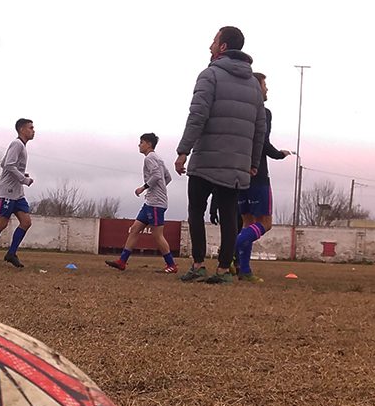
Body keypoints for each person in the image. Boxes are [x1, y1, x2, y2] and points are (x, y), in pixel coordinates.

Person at [174, 26, 265, 284]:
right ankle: (224, 271)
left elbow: (197, 115)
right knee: (228, 217)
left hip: (205, 160)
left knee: (196, 211)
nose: (210, 46)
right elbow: (260, 128)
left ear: (223, 47)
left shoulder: (209, 75)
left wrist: (183, 151)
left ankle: (198, 264)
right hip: (237, 164)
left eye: (214, 41)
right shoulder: (253, 85)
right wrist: (253, 163)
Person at [233, 72, 292, 283]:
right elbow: (263, 143)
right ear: (257, 88)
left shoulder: (238, 112)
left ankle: (245, 270)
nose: (267, 89)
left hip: (238, 173)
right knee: (265, 224)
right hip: (257, 174)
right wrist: (279, 154)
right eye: (265, 85)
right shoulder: (263, 112)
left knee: (248, 223)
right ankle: (232, 247)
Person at [105, 133, 178, 273]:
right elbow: (167, 177)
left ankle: (171, 265)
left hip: (155, 203)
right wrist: (159, 188)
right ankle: (122, 261)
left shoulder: (150, 158)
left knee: (157, 234)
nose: (139, 145)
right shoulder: (159, 159)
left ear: (149, 144)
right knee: (134, 229)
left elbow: (157, 176)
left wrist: (144, 188)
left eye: (141, 142)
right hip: (150, 202)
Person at [0, 119, 35, 268]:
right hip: (8, 192)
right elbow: (8, 165)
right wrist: (23, 179)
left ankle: (11, 253)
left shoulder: (21, 146)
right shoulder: (17, 144)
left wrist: (21, 174)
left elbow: (4, 164)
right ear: (22, 129)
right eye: (30, 128)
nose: (33, 130)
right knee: (2, 223)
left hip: (17, 193)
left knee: (26, 222)